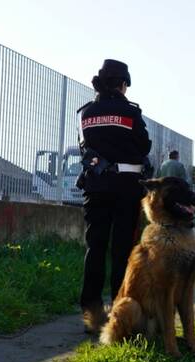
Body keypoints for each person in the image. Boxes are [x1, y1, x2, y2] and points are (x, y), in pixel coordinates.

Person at [76, 59, 152, 333]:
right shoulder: (130, 112)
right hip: (126, 188)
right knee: (122, 251)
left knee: (94, 248)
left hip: (96, 187)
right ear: (123, 84)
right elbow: (144, 144)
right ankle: (120, 313)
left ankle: (92, 315)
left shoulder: (86, 113)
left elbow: (86, 146)